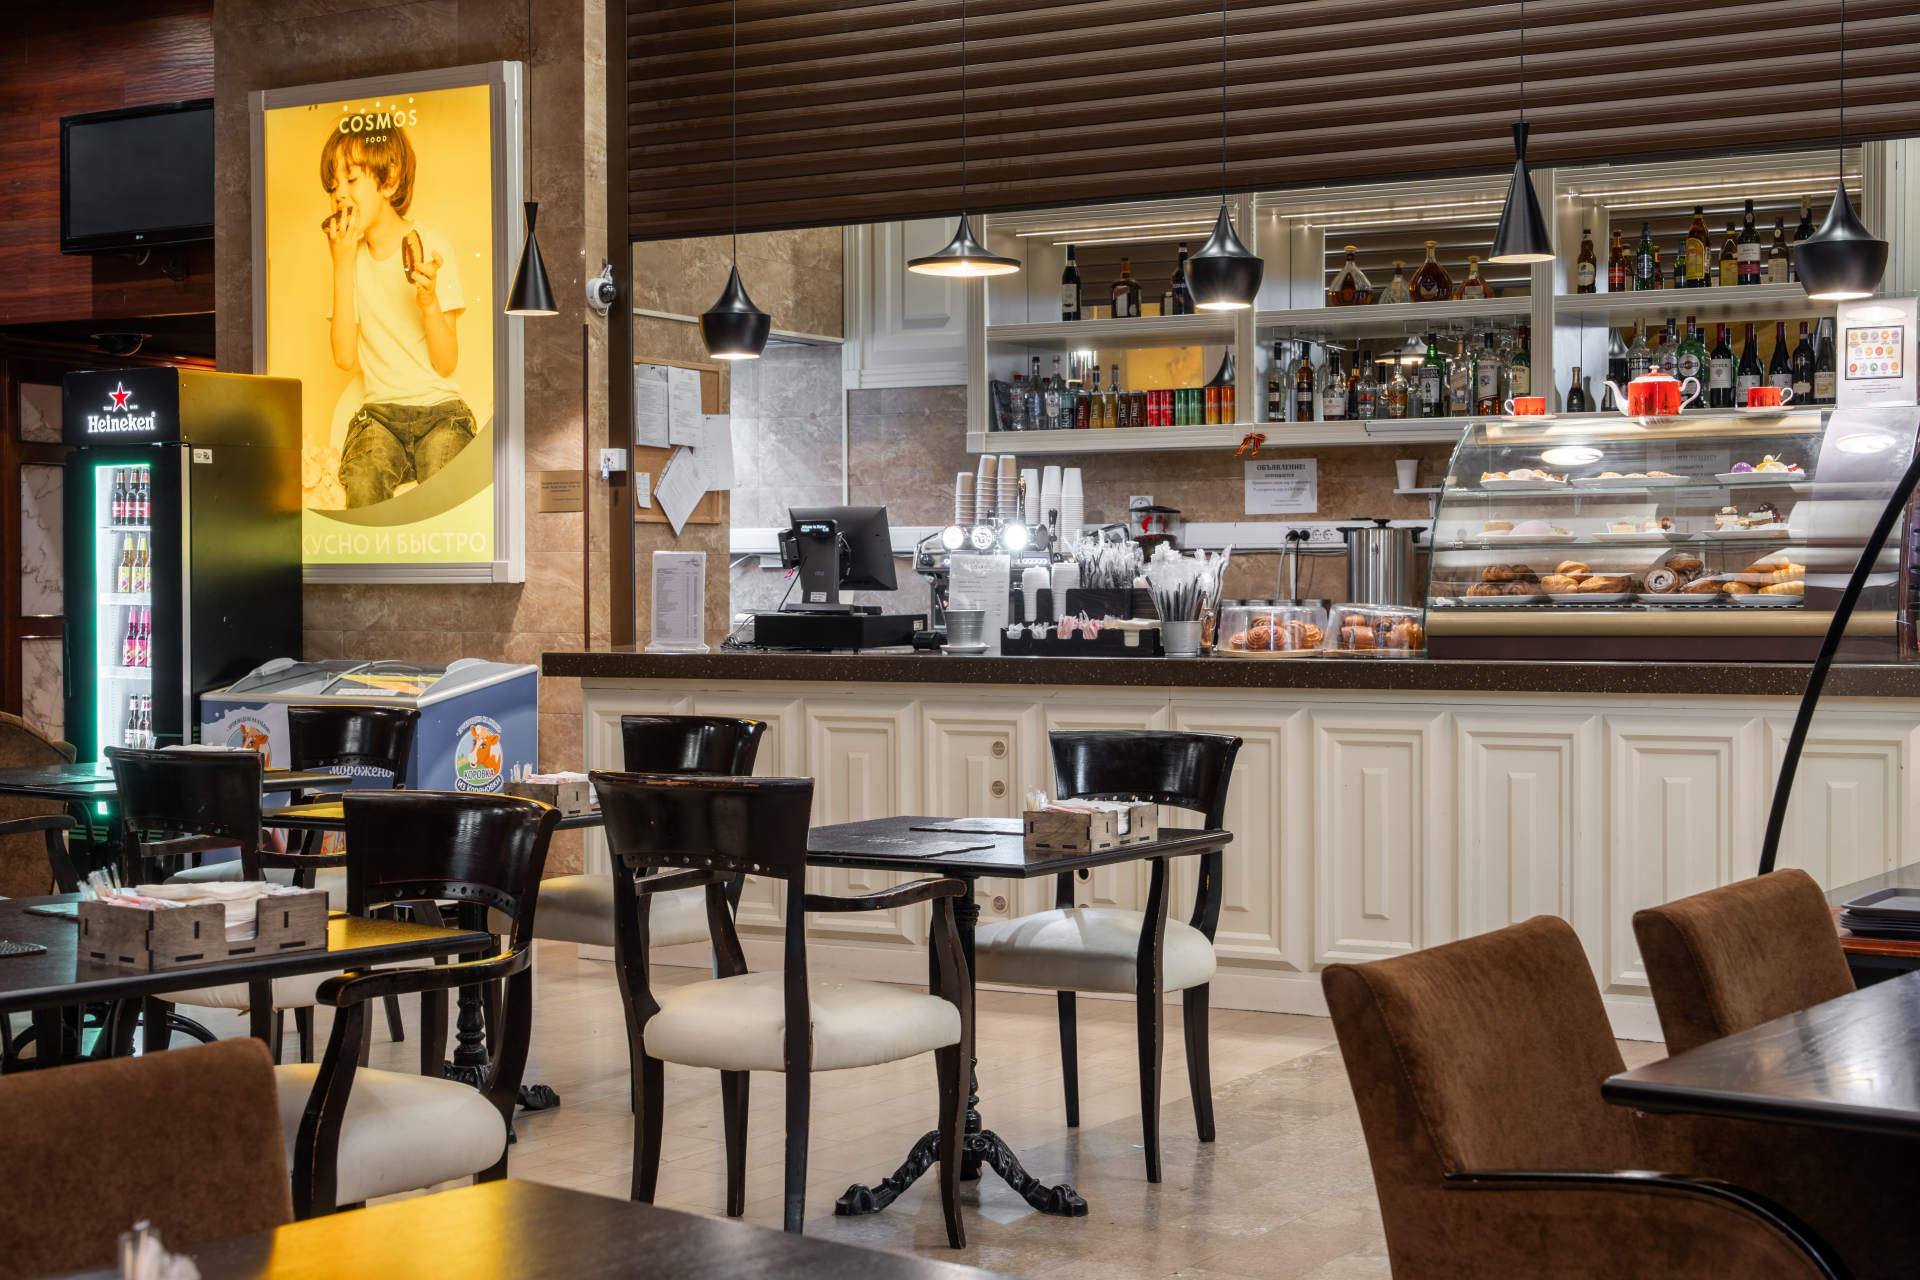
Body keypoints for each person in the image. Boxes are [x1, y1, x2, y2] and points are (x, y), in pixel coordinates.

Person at [321, 123, 475, 508]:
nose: (339, 194)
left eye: (351, 179)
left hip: (441, 413)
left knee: (446, 495)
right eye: (333, 185)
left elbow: (446, 363)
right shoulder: (350, 260)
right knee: (361, 482)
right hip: (379, 418)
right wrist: (341, 265)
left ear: (388, 180)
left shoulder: (432, 245)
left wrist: (428, 302)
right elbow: (344, 357)